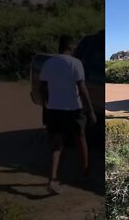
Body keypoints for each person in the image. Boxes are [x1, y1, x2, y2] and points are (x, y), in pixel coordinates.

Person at [39, 35, 97, 194]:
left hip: (54, 109)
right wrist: (91, 111)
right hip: (74, 108)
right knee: (81, 140)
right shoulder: (75, 63)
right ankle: (85, 174)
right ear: (72, 47)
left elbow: (42, 89)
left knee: (57, 143)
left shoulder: (49, 63)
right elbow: (82, 88)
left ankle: (52, 179)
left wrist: (44, 109)